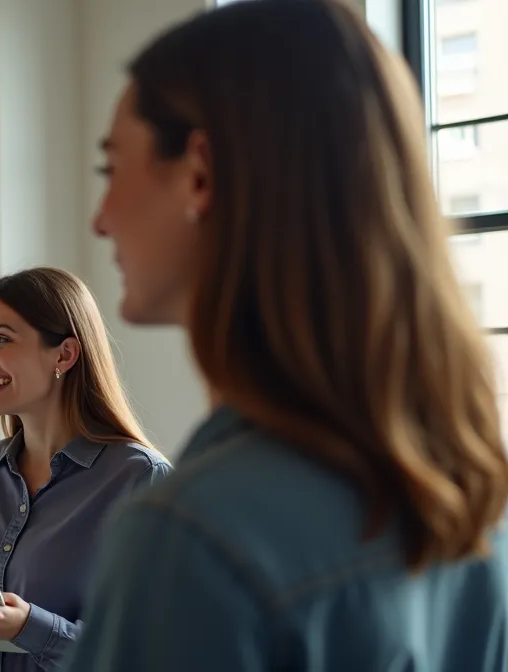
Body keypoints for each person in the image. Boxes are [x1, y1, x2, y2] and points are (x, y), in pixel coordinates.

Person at [74, 1, 508, 670]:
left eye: (111, 169)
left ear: (199, 174)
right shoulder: (474, 497)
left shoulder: (192, 539)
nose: (100, 220)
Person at [0, 267, 171, 672]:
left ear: (64, 354)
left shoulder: (140, 479)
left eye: (1, 339)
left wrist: (29, 628)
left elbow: (153, 649)